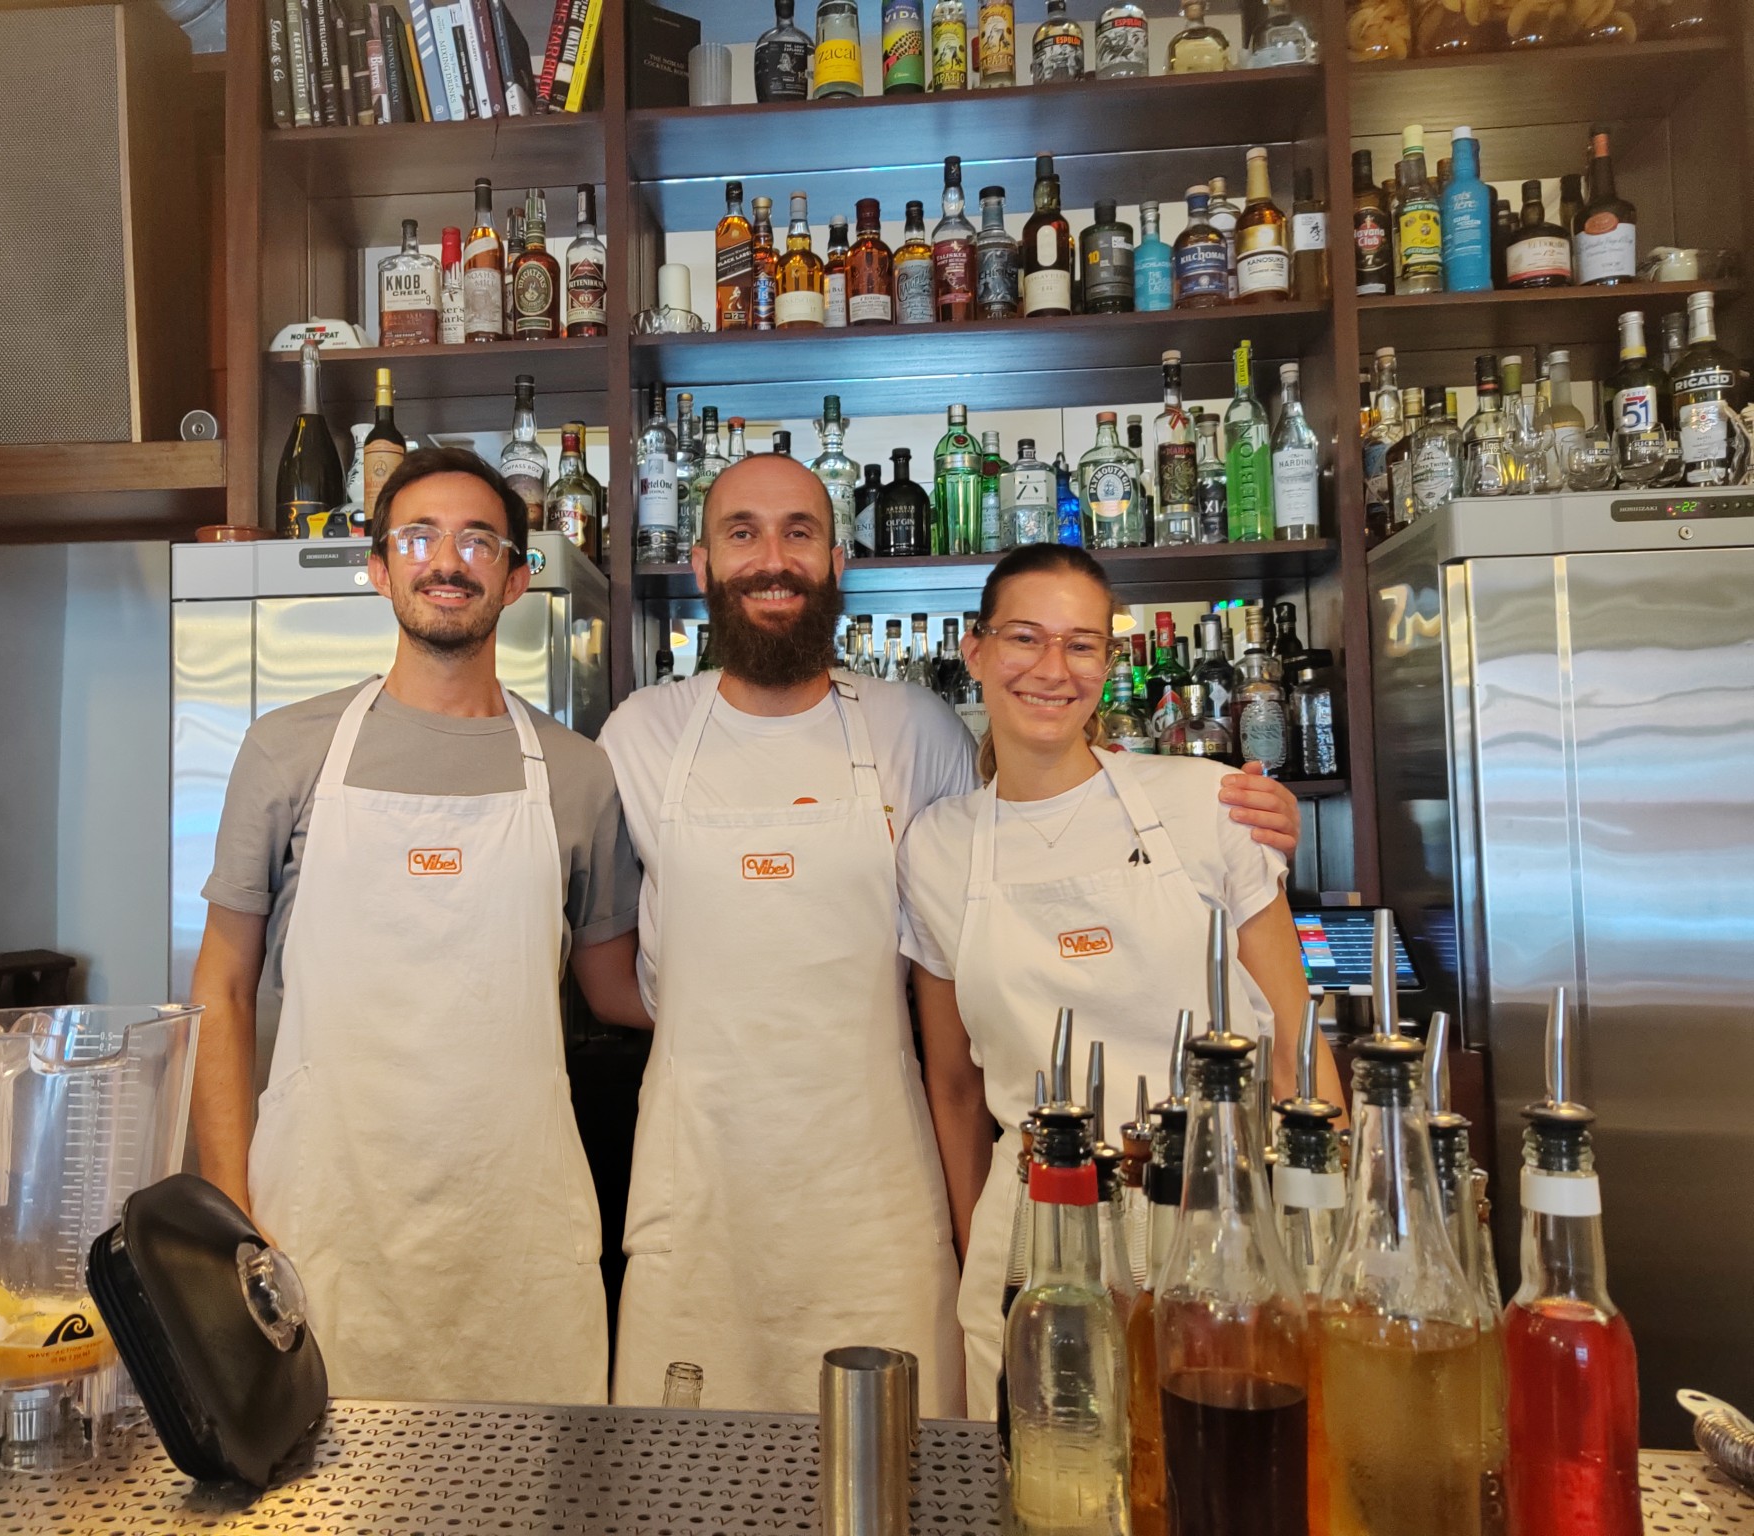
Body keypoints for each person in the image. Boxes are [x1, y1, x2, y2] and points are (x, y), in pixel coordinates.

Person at [596, 456, 1304, 1414]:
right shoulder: (637, 735)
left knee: (910, 1470)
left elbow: (1029, 852)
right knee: (687, 1472)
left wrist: (1238, 823)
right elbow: (606, 955)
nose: (774, 558)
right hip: (701, 1182)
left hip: (876, 1192)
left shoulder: (913, 725)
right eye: (744, 533)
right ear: (700, 560)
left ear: (838, 558)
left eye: (800, 533)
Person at [188, 447, 649, 1404]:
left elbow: (616, 989)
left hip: (512, 1222)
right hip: (323, 1211)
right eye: (421, 537)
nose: (449, 560)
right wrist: (229, 1206)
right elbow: (221, 990)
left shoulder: (576, 774)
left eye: (480, 540)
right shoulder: (288, 749)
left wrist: (779, 966)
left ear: (516, 579)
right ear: (379, 565)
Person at [895, 542, 1343, 1418]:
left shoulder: (1206, 803)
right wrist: (973, 1241)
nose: (1051, 670)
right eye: (1024, 638)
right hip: (1029, 1233)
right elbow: (952, 1087)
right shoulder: (937, 847)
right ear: (976, 650)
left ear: (1110, 660)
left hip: (1218, 1223)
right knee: (1043, 1488)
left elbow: (1293, 1046)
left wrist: (1326, 1241)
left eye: (1082, 644)